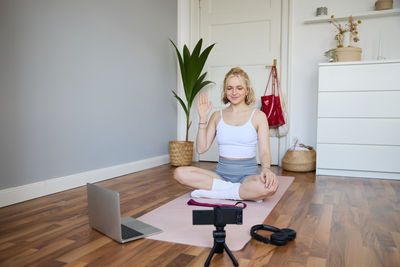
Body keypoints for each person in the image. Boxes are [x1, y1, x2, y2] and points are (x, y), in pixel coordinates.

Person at [174, 67, 279, 201]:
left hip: (248, 177)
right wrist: (202, 119)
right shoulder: (217, 116)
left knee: (270, 187)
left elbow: (264, 151)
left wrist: (266, 169)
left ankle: (218, 192)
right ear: (225, 90)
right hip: (220, 176)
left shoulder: (258, 116)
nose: (234, 92)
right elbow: (201, 149)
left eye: (239, 88)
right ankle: (238, 193)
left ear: (247, 90)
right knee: (179, 173)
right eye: (230, 88)